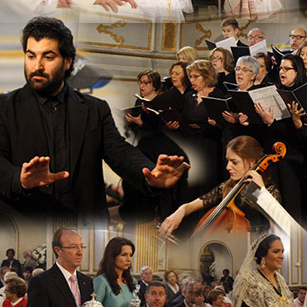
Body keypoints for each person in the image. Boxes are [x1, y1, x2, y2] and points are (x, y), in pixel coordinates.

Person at [0, 17, 187, 219]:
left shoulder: (95, 109)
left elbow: (119, 152)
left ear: (67, 62)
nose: (37, 66)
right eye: (31, 56)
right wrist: (19, 179)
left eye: (48, 57)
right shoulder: (4, 107)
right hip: (25, 225)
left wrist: (151, 174)